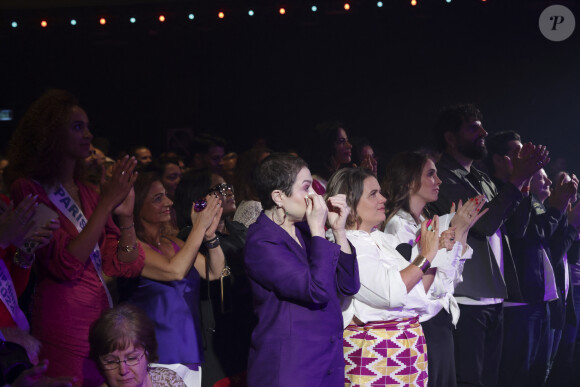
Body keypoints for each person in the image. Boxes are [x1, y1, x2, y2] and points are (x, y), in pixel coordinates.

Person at [5, 89, 145, 385]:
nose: (89, 135)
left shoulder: (90, 193)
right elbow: (64, 264)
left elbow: (125, 265)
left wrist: (126, 215)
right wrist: (107, 202)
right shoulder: (28, 189)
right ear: (51, 134)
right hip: (63, 325)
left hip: (101, 323)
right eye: (77, 127)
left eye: (88, 127)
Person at [427, 104, 549, 386]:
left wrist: (525, 181)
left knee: (491, 379)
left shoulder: (482, 178)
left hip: (493, 295)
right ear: (451, 137)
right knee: (470, 380)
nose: (483, 132)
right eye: (473, 127)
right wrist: (516, 178)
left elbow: (516, 230)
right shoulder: (442, 177)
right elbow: (483, 225)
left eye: (482, 126)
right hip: (465, 297)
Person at [244, 153, 359, 386]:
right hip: (291, 367)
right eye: (306, 188)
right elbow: (315, 290)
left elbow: (348, 285)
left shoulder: (304, 232)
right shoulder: (262, 242)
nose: (314, 196)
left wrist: (338, 231)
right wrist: (318, 230)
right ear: (278, 196)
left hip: (326, 362)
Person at [381, 152, 484, 387]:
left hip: (438, 319)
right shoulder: (398, 226)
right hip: (424, 321)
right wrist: (456, 234)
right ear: (409, 181)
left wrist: (462, 232)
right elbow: (420, 290)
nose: (439, 181)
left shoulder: (424, 222)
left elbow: (451, 281)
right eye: (431, 174)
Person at [119, 171, 225, 371]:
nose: (168, 202)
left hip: (190, 352)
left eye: (166, 195)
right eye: (158, 198)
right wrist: (198, 228)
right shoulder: (134, 249)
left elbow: (214, 272)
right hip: (156, 356)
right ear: (137, 205)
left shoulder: (174, 243)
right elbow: (174, 271)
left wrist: (210, 236)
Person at [89, 304, 187, 387]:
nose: (123, 371)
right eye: (111, 361)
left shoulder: (169, 381)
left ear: (148, 353)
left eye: (132, 358)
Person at [307, 121, 353, 193]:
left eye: (347, 140)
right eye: (341, 141)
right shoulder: (316, 184)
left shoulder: (344, 178)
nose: (349, 145)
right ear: (328, 146)